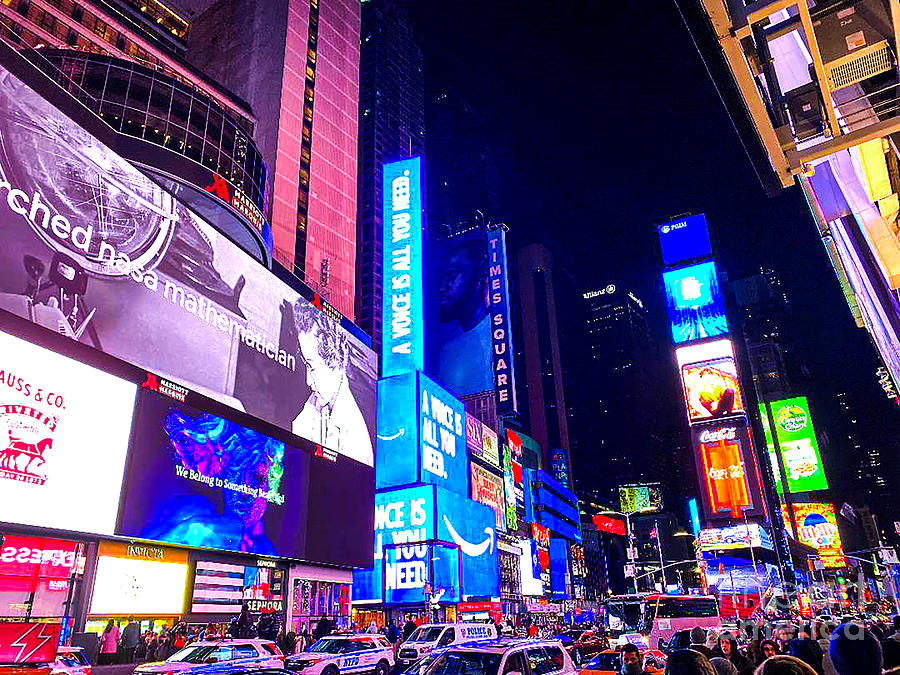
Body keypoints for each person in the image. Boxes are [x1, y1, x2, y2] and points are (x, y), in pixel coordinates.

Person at [291, 299, 373, 465]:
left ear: (335, 361)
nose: (308, 381)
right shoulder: (319, 400)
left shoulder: (355, 442)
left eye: (312, 367)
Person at [434, 238, 493, 395]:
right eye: (442, 279)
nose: (442, 288)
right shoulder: (446, 351)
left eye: (452, 275)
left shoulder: (502, 336)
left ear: (480, 272)